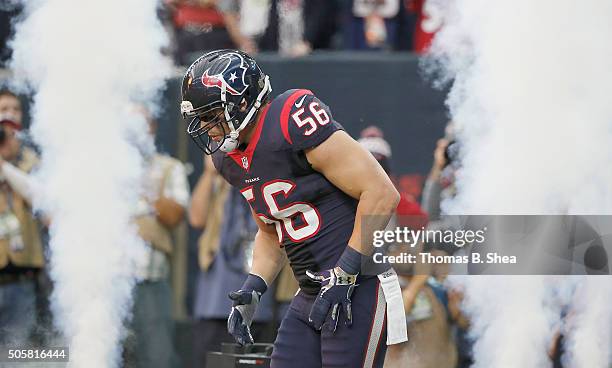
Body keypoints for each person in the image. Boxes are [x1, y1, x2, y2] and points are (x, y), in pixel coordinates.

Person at [179, 49, 407, 368]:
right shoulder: (229, 160)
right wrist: (254, 286)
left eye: (211, 114)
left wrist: (346, 273)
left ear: (242, 103)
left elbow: (382, 194)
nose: (206, 126)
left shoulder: (291, 119)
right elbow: (271, 231)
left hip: (360, 287)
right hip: (311, 292)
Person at [190, 154, 278, 368]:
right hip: (214, 300)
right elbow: (196, 218)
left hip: (256, 303)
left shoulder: (264, 177)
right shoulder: (218, 183)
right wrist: (210, 173)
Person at [123, 107, 188, 368]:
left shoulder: (168, 167)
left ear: (152, 127)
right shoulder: (104, 168)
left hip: (149, 279)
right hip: (107, 280)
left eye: (143, 123)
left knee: (157, 357)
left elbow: (175, 216)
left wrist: (144, 186)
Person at [0, 89, 45, 345]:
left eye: (15, 109)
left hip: (22, 280)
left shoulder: (32, 160)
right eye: (4, 109)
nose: (9, 115)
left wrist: (5, 167)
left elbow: (42, 200)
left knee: (15, 355)